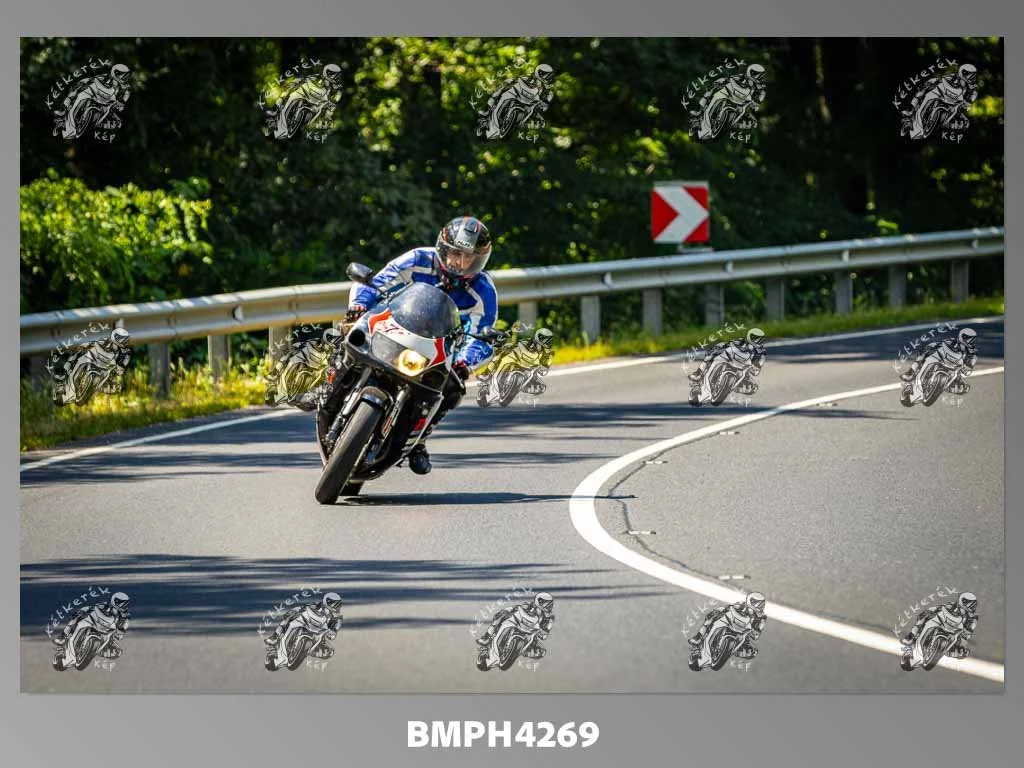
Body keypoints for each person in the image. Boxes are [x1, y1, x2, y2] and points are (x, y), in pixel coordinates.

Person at [296, 216, 498, 476]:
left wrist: (465, 362)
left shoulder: (483, 290)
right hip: (394, 327)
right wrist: (359, 306)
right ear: (443, 248)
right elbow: (377, 282)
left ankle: (419, 437)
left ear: (480, 260)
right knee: (352, 332)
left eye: (468, 258)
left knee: (453, 388)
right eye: (455, 254)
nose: (459, 263)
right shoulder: (418, 258)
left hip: (437, 348)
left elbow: (481, 335)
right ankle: (326, 387)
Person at [901, 592, 978, 669]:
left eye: (973, 604)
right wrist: (930, 611)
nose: (972, 606)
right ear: (963, 601)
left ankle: (947, 651)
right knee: (924, 616)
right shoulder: (952, 605)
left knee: (961, 651)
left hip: (955, 631)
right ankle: (911, 636)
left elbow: (969, 631)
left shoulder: (973, 617)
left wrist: (962, 642)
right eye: (970, 603)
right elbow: (939, 608)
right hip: (942, 623)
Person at [900, 328, 977, 404]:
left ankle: (948, 387)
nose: (971, 341)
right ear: (963, 337)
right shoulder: (952, 341)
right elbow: (940, 343)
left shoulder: (971, 351)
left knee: (964, 387)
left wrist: (969, 367)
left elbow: (972, 360)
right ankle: (910, 373)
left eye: (973, 339)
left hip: (955, 366)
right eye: (969, 339)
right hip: (942, 358)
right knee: (923, 353)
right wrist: (932, 346)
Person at [901, 64, 978, 140]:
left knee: (964, 121)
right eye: (969, 74)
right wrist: (931, 81)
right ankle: (911, 111)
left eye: (973, 75)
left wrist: (968, 102)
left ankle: (946, 126)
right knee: (922, 90)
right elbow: (941, 78)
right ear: (962, 72)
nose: (970, 77)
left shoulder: (972, 86)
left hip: (956, 102)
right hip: (941, 94)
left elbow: (973, 94)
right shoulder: (954, 76)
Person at [689, 592, 767, 667]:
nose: (759, 605)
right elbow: (728, 607)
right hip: (731, 623)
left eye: (761, 603)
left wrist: (754, 632)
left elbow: (756, 635)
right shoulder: (741, 604)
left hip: (743, 633)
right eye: (757, 602)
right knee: (711, 617)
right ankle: (698, 637)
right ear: (750, 600)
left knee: (752, 652)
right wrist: (718, 611)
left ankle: (730, 651)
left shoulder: (762, 618)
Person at [477, 593, 555, 662]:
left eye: (550, 604)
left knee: (541, 652)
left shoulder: (549, 619)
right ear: (539, 601)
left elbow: (544, 635)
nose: (548, 606)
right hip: (519, 624)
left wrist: (542, 632)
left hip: (530, 634)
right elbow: (515, 608)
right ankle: (487, 636)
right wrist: (507, 611)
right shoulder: (529, 605)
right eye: (546, 603)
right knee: (501, 615)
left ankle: (518, 652)